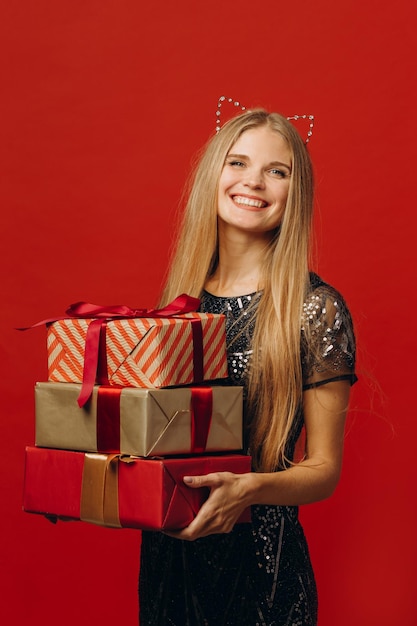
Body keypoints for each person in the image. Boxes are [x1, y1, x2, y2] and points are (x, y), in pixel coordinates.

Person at [138, 102, 357, 625]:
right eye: (237, 163)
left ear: (293, 193)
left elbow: (324, 471)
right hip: (171, 563)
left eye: (276, 171)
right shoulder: (178, 304)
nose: (253, 182)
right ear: (213, 174)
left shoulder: (314, 308)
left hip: (264, 572)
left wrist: (252, 488)